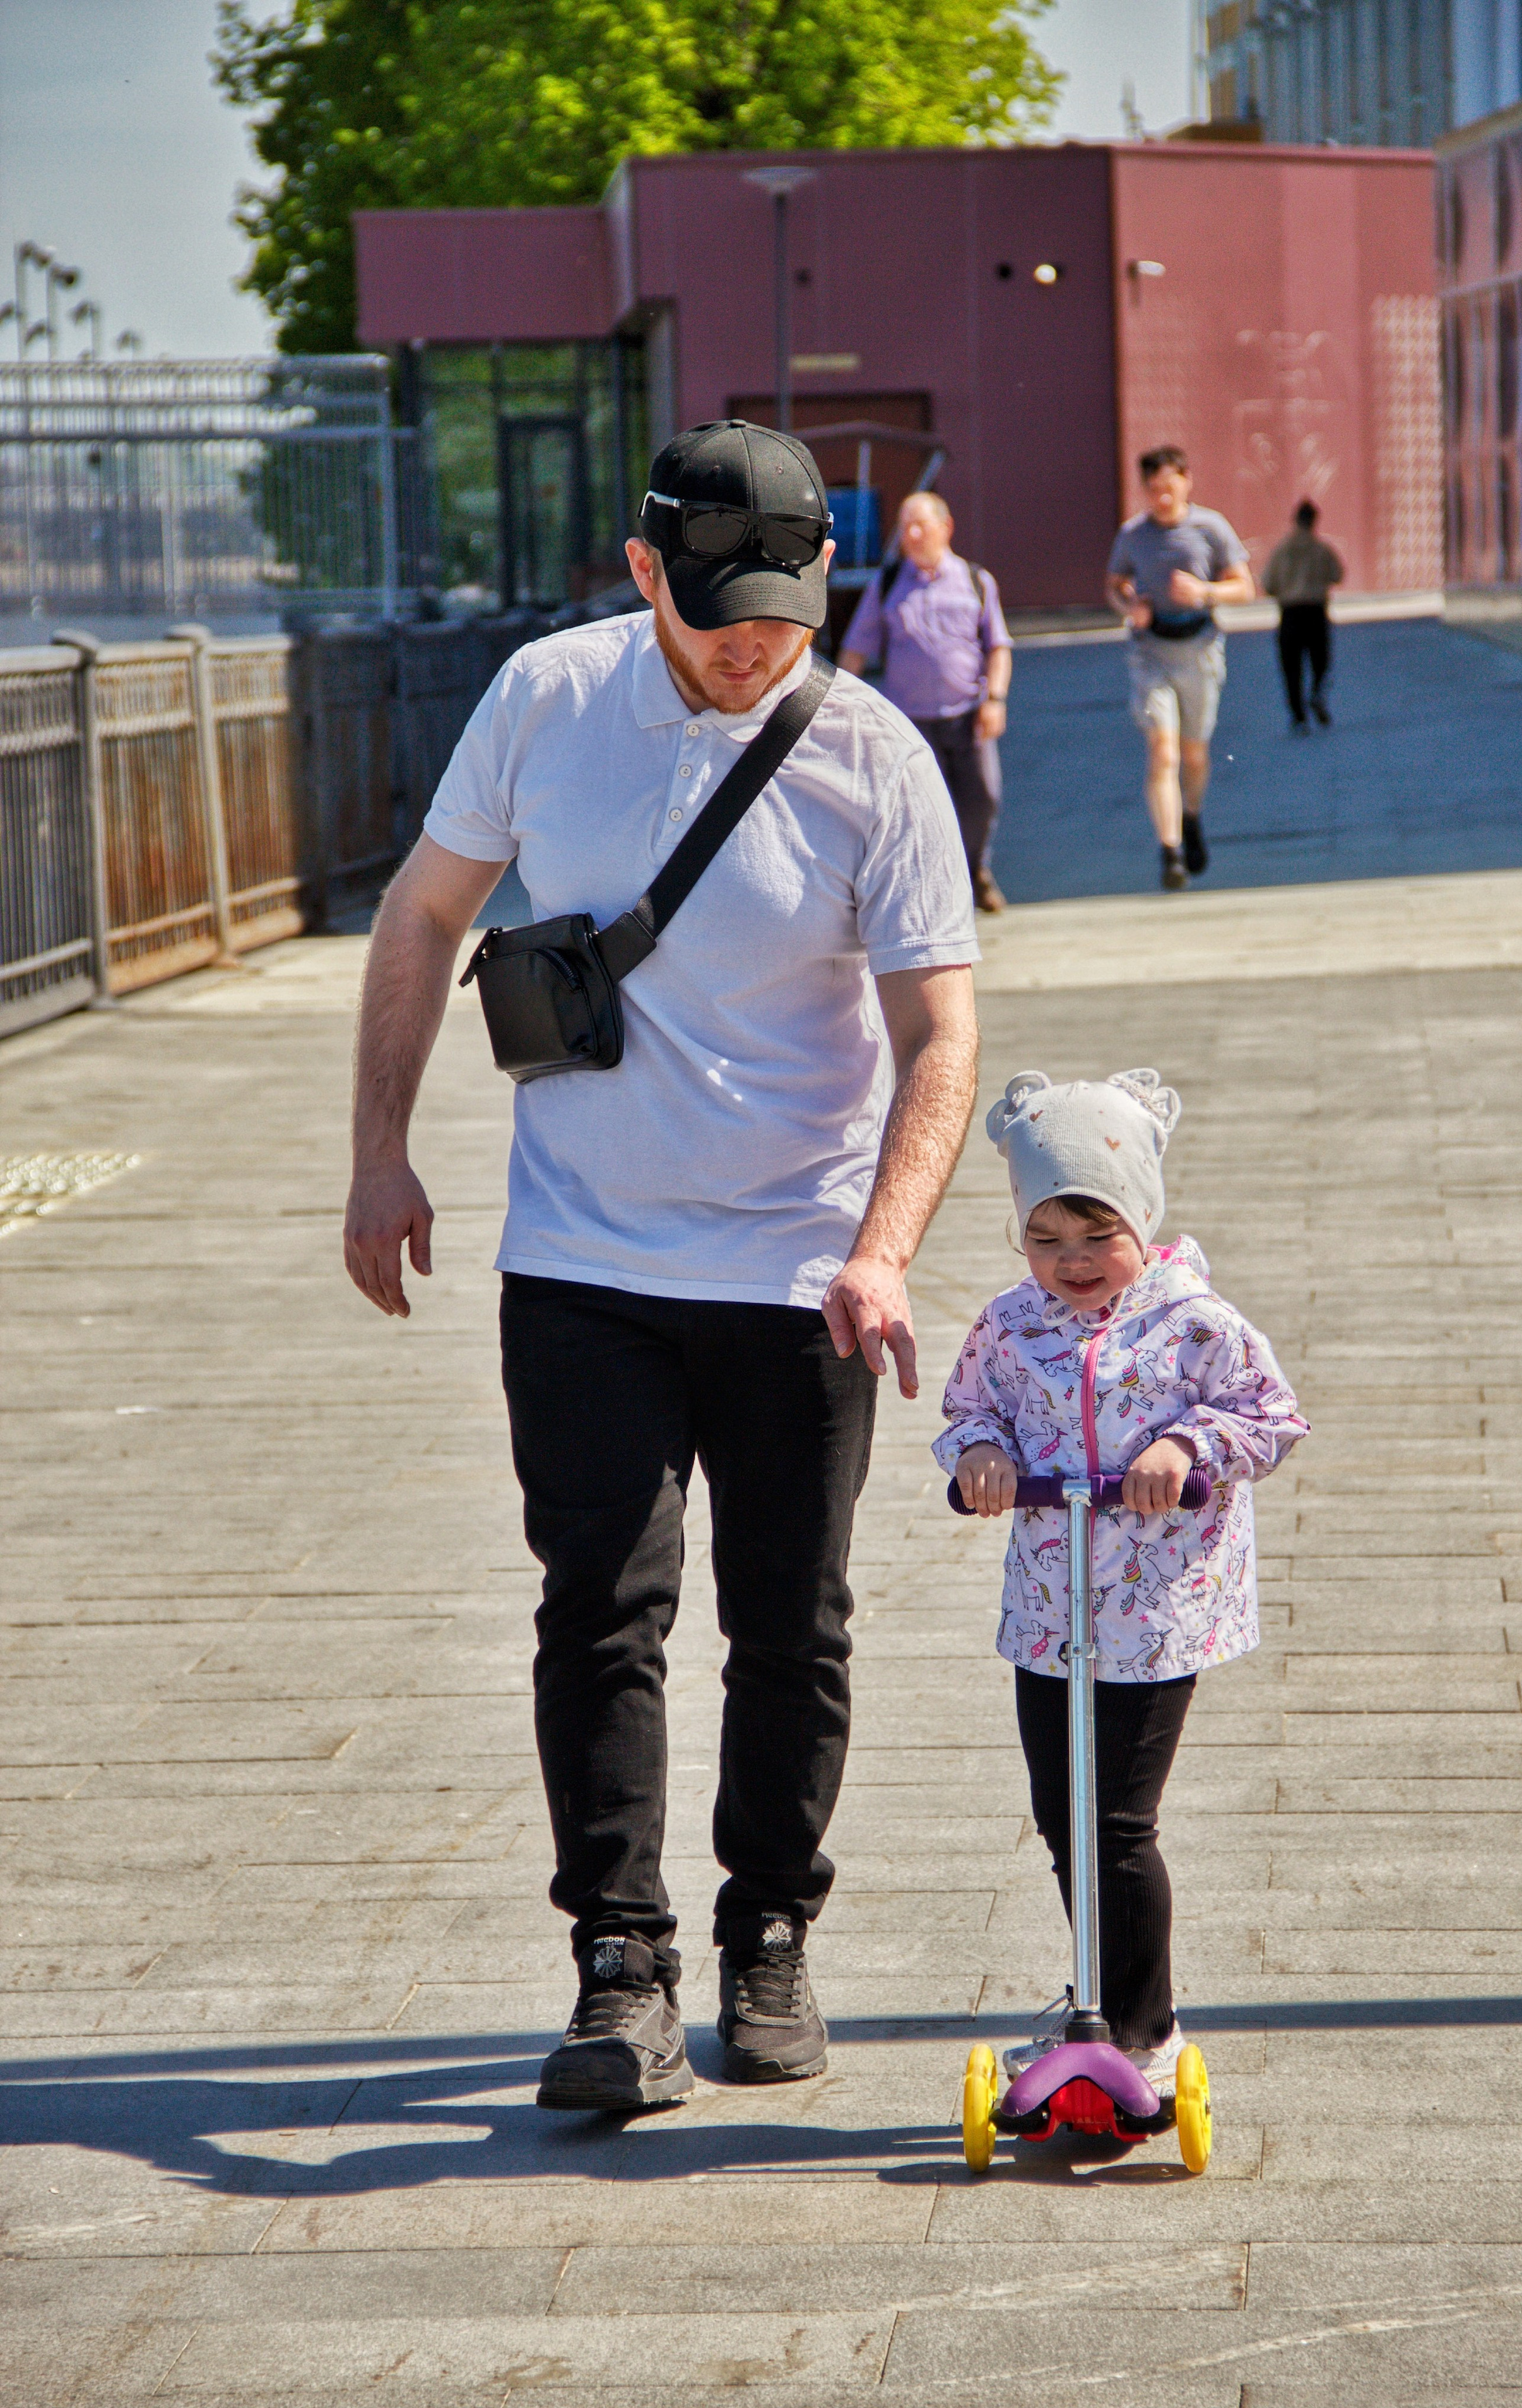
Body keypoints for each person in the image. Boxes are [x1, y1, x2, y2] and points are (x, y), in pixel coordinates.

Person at [343, 419, 979, 2110]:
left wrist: (888, 1251)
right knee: (602, 1616)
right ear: (644, 576)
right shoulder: (548, 701)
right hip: (580, 1263)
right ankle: (619, 1971)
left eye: (786, 603)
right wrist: (378, 1152)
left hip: (798, 1278)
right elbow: (420, 915)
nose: (755, 638)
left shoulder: (873, 760)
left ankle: (771, 1933)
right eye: (719, 610)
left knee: (792, 1625)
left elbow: (940, 1034)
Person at [933, 1067, 1307, 2077]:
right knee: (1064, 1816)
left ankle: (1142, 2028)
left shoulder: (1196, 1323)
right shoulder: (1010, 1325)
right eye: (1046, 1238)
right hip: (1051, 1606)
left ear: (1142, 1218)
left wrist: (1187, 1448)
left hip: (1157, 1611)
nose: (1073, 1261)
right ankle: (1093, 1994)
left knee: (1117, 1821)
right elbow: (969, 1409)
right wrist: (979, 1456)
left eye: (1096, 1236)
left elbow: (1271, 1415)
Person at [838, 490, 1014, 913]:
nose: (911, 535)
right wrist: (839, 702)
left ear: (946, 528)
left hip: (969, 715)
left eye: (920, 525)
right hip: (910, 724)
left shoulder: (976, 580)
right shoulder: (887, 584)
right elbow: (855, 650)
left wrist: (995, 698)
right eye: (905, 527)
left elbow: (999, 647)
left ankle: (974, 869)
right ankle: (940, 888)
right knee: (921, 809)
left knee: (983, 798)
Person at [1106, 447, 1255, 891]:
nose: (1162, 498)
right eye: (1153, 490)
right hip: (1151, 652)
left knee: (1194, 753)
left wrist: (1204, 591)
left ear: (1187, 481)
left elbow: (1245, 588)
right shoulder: (1134, 534)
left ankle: (1191, 818)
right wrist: (1131, 606)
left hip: (1200, 649)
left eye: (1169, 487)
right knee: (1163, 751)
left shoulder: (1210, 528)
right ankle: (1169, 851)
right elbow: (1114, 585)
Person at [1261, 500, 1344, 731]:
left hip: (1290, 613)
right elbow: (1337, 574)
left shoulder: (1281, 550)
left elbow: (1268, 583)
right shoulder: (1322, 549)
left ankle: (1298, 716)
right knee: (1321, 661)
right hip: (1315, 612)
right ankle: (1317, 693)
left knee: (1291, 667)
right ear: (1314, 521)